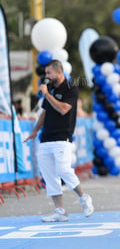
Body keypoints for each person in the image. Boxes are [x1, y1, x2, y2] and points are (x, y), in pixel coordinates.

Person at [24, 60, 94, 222]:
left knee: (63, 170)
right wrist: (35, 130)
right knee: (49, 175)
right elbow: (45, 112)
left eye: (49, 73)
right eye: (46, 73)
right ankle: (60, 210)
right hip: (46, 137)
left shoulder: (70, 88)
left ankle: (83, 197)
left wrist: (47, 94)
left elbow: (63, 109)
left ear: (59, 72)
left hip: (62, 137)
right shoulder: (51, 89)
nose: (46, 76)